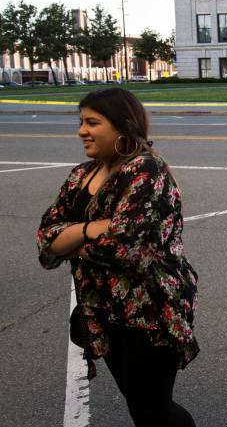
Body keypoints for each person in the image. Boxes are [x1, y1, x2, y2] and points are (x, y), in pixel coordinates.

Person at [37, 87, 198, 427]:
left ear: (122, 125)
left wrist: (70, 238)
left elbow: (124, 250)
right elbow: (45, 241)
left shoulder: (146, 170)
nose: (82, 131)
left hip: (149, 310)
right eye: (81, 122)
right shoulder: (82, 174)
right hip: (102, 306)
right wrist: (89, 230)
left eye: (92, 122)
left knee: (151, 408)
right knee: (140, 402)